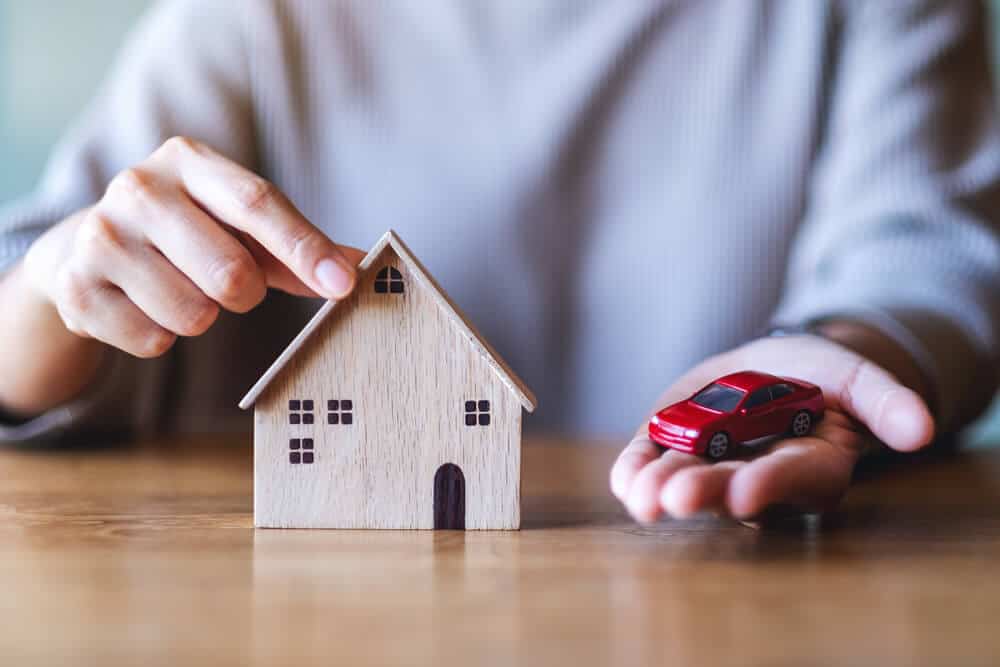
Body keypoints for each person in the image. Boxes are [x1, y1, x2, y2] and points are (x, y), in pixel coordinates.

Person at [0, 1, 997, 523]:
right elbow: (39, 300)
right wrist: (52, 297)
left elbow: (920, 257)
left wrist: (849, 350)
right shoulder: (246, 22)